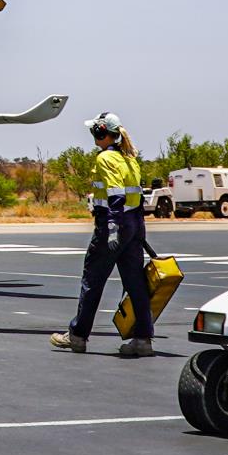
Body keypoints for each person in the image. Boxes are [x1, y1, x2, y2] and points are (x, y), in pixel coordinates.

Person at [51, 112, 155, 358]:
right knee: (135, 283)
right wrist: (135, 232)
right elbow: (136, 199)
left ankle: (77, 336)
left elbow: (116, 195)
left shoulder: (106, 159)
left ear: (101, 132)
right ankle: (143, 340)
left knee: (92, 280)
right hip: (133, 224)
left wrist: (111, 230)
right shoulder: (129, 159)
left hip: (113, 225)